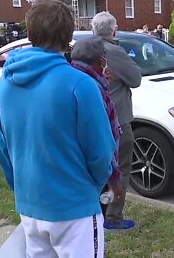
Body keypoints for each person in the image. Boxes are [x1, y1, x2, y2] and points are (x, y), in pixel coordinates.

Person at [0, 0, 116, 258]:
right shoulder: (80, 85)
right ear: (68, 35)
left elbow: (3, 148)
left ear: (31, 31)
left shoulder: (4, 84)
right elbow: (102, 152)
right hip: (75, 208)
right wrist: (92, 188)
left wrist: (24, 188)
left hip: (31, 205)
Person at [92, 11, 142, 231]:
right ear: (114, 30)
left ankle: (95, 211)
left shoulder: (83, 49)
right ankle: (112, 216)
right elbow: (135, 79)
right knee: (120, 168)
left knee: (96, 167)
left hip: (92, 119)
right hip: (117, 119)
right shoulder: (114, 51)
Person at [70, 36, 125, 216]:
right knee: (96, 223)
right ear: (101, 60)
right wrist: (115, 181)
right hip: (94, 177)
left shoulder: (74, 79)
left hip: (75, 176)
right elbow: (101, 139)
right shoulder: (91, 88)